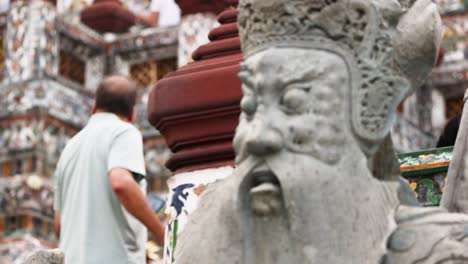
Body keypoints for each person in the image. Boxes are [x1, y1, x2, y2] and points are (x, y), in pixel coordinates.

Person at [54, 75, 165, 264]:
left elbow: (59, 223)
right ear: (132, 114)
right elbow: (121, 182)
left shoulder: (69, 148)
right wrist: (163, 233)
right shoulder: (123, 131)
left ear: (94, 105)